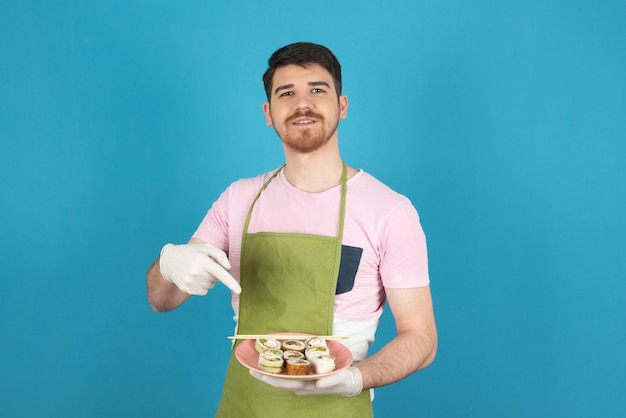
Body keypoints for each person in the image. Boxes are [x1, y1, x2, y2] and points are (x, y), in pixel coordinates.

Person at [146, 42, 437, 417]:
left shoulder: (390, 212)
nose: (303, 103)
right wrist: (168, 264)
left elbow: (422, 338)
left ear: (342, 106)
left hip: (337, 409)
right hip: (243, 407)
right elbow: (161, 300)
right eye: (287, 93)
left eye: (318, 89)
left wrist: (357, 377)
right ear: (269, 112)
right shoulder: (239, 200)